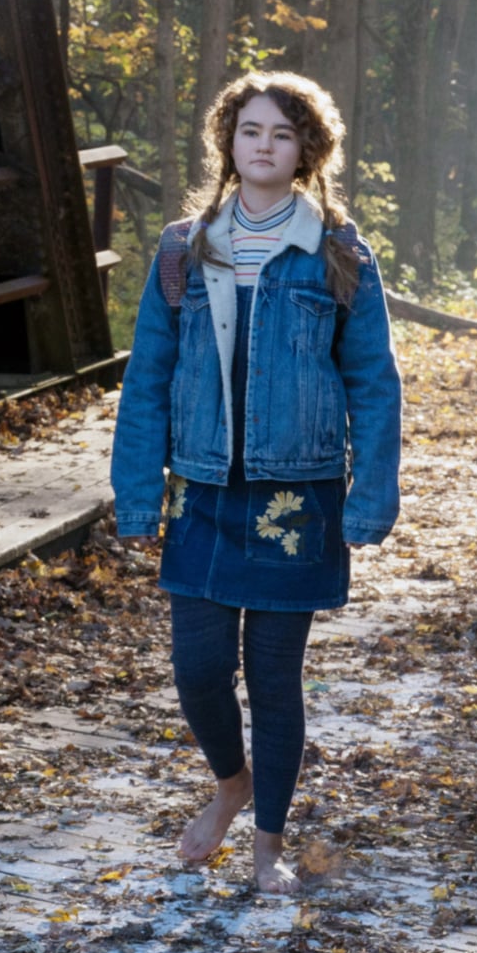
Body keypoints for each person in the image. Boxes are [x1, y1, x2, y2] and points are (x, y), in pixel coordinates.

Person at [110, 71, 402, 895]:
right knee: (198, 667)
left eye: (280, 132)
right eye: (249, 130)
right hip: (203, 488)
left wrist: (371, 494)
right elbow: (149, 377)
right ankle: (231, 782)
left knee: (274, 677)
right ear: (227, 145)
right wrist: (138, 489)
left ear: (307, 150)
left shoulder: (339, 254)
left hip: (296, 497)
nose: (263, 144)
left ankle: (268, 840)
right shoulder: (183, 247)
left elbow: (375, 381)